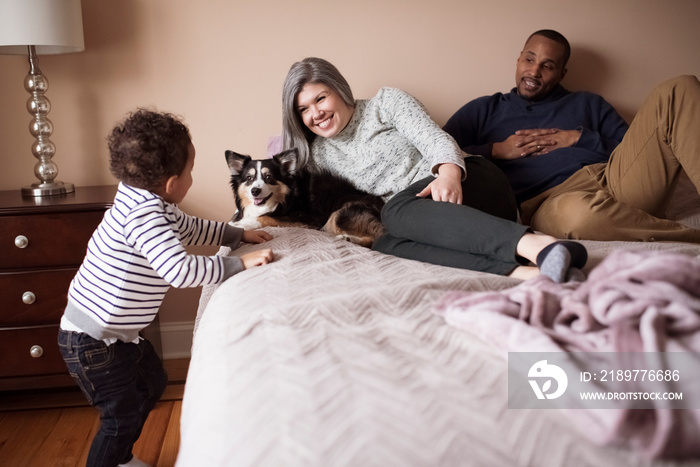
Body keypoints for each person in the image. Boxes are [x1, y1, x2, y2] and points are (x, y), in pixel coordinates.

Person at [57, 109, 274, 467]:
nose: (192, 177)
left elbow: (189, 229)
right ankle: (114, 459)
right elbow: (179, 270)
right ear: (172, 182)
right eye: (190, 172)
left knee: (153, 383)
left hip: (118, 334)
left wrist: (237, 234)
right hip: (92, 341)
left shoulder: (146, 198)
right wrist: (238, 263)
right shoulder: (143, 214)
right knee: (119, 419)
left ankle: (120, 457)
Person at [281, 57, 588, 283]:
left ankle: (541, 245)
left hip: (468, 180)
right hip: (422, 220)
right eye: (303, 109)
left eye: (320, 98)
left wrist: (449, 173)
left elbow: (435, 139)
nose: (316, 113)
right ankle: (527, 272)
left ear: (338, 88)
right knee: (384, 241)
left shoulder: (385, 103)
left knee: (393, 212)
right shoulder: (317, 156)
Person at [443, 29, 700, 243]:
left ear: (562, 73)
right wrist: (496, 150)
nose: (534, 72)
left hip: (613, 178)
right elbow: (435, 151)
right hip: (550, 201)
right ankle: (690, 237)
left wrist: (579, 138)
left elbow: (636, 150)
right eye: (530, 59)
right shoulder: (485, 109)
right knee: (578, 216)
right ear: (519, 58)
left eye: (548, 65)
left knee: (680, 87)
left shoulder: (589, 104)